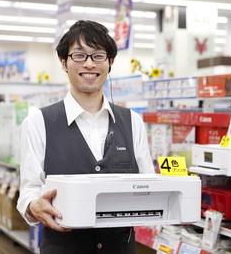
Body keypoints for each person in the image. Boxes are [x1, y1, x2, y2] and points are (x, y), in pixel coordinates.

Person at [17, 20, 155, 254]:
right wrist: (33, 205)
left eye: (98, 56)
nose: (89, 64)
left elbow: (148, 184)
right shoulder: (38, 122)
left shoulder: (132, 122)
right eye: (79, 56)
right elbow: (29, 189)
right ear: (64, 62)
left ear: (110, 62)